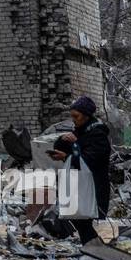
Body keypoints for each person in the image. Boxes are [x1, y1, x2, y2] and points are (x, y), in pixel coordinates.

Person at [51, 95, 112, 244]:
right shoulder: (80, 131)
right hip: (79, 185)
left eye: (76, 116)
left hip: (93, 186)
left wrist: (72, 148)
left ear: (86, 116)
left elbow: (90, 160)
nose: (73, 120)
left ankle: (96, 249)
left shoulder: (98, 135)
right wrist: (64, 141)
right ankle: (94, 248)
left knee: (83, 219)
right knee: (78, 218)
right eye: (72, 116)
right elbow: (62, 146)